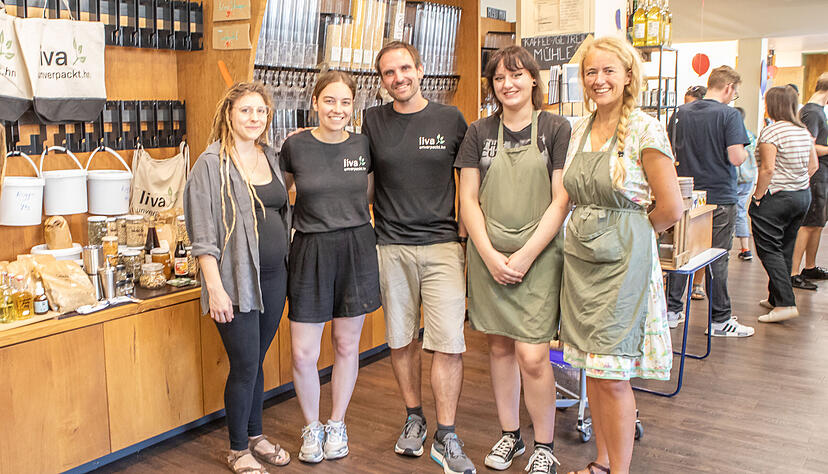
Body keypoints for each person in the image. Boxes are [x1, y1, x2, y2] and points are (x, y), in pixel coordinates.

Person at [559, 36, 683, 474]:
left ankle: (619, 470)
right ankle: (602, 462)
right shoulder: (577, 129)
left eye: (609, 70)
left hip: (624, 263)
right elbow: (565, 198)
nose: (599, 80)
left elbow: (671, 207)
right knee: (593, 369)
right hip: (581, 263)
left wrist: (629, 237)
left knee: (613, 373)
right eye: (591, 72)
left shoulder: (647, 128)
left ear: (628, 76)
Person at [457, 45, 571, 474]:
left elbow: (561, 200)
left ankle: (544, 444)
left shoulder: (557, 129)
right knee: (500, 348)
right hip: (488, 256)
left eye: (517, 75)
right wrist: (488, 254)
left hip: (539, 256)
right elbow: (467, 199)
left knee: (533, 355)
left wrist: (524, 255)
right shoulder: (479, 132)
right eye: (500, 78)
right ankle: (511, 437)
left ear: (534, 80)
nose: (508, 84)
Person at [362, 41, 474, 474]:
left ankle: (446, 433)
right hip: (390, 246)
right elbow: (364, 180)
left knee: (448, 342)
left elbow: (469, 182)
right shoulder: (373, 120)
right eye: (389, 73)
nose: (398, 78)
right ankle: (414, 417)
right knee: (401, 339)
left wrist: (465, 234)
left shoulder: (450, 119)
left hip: (443, 246)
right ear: (382, 80)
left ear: (421, 70)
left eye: (405, 68)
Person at [184, 82, 292, 474]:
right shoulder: (210, 164)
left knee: (257, 359)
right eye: (246, 110)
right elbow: (203, 236)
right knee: (245, 363)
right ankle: (236, 448)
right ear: (229, 113)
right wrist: (215, 289)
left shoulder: (271, 156)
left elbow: (282, 212)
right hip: (234, 282)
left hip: (275, 276)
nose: (254, 118)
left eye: (261, 111)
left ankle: (256, 435)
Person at [280, 70, 381, 464]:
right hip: (310, 249)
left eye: (345, 102)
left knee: (345, 344)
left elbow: (370, 196)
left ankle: (336, 423)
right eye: (330, 101)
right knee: (304, 353)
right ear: (315, 102)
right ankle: (311, 427)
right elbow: (280, 196)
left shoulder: (364, 145)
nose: (337, 109)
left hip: (355, 247)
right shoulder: (295, 146)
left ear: (352, 107)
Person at [665, 65, 754, 337]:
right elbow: (736, 158)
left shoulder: (679, 112)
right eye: (734, 93)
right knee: (717, 258)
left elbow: (668, 150)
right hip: (719, 195)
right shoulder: (729, 115)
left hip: (685, 193)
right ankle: (720, 319)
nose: (732, 98)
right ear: (728, 88)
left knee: (681, 254)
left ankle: (671, 311)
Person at [749, 86, 818, 322]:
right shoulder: (803, 131)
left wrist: (757, 197)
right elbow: (814, 166)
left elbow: (767, 169)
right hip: (802, 196)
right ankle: (776, 298)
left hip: (776, 198)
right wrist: (797, 182)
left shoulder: (772, 132)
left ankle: (786, 303)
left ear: (772, 105)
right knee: (785, 246)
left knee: (768, 249)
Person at [790, 73, 828, 290]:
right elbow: (809, 145)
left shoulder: (818, 111)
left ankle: (810, 267)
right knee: (808, 224)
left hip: (822, 174)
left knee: (817, 223)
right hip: (815, 175)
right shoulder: (812, 113)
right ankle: (794, 272)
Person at [677, 85, 708, 300]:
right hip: (686, 186)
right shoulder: (725, 116)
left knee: (696, 244)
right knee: (690, 244)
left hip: (687, 185)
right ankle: (690, 290)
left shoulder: (680, 115)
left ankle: (681, 297)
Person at [734, 106, 758, 261]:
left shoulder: (733, 136)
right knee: (741, 212)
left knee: (731, 213)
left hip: (735, 180)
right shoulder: (751, 135)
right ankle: (746, 248)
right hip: (749, 179)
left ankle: (724, 248)